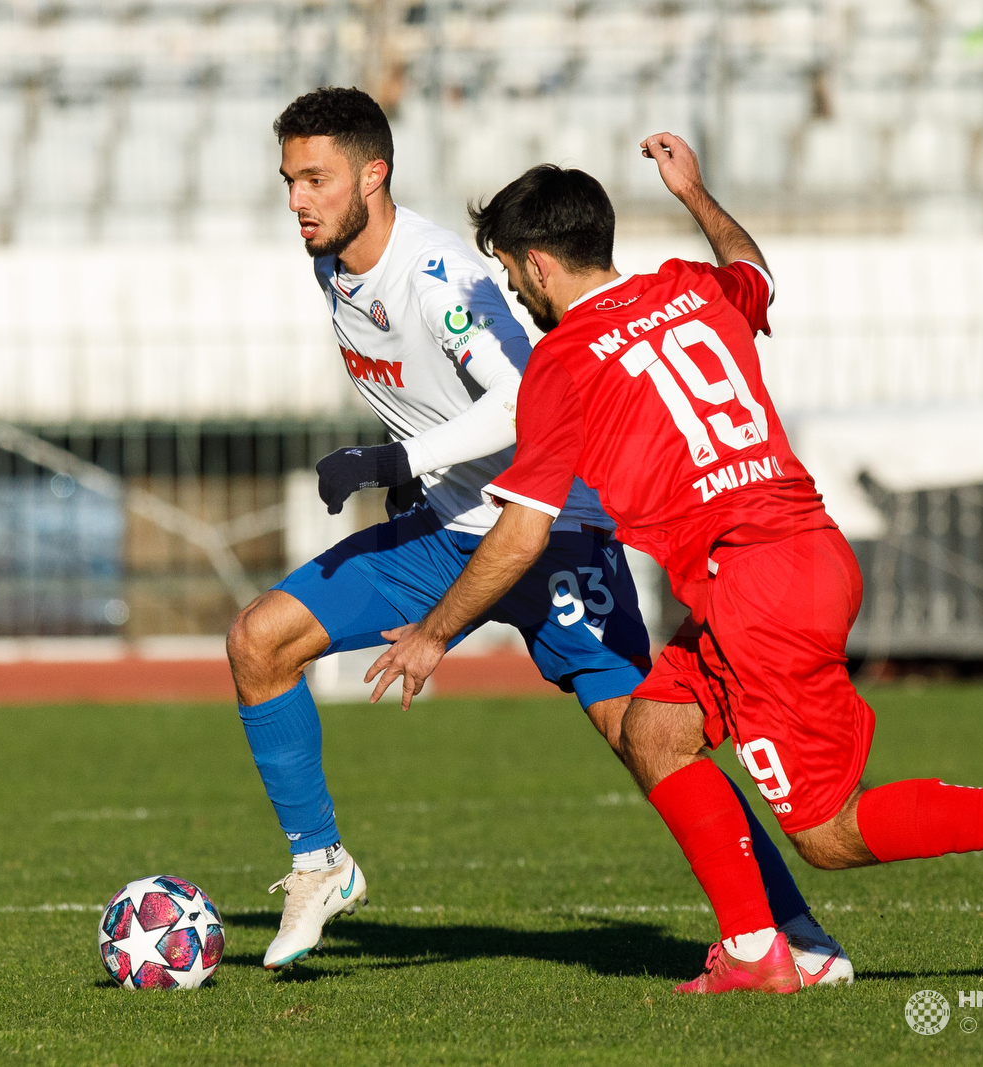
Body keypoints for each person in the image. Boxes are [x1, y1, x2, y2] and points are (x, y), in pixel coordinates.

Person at [367, 134, 983, 995]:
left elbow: (522, 534)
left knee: (829, 833)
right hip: (798, 553)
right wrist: (698, 194)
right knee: (656, 731)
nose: (517, 296)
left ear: (535, 263)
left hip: (756, 588)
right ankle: (759, 948)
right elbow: (759, 271)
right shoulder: (688, 285)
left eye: (511, 274)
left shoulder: (563, 362)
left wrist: (434, 632)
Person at [228, 88, 851, 982]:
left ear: (376, 174)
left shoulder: (438, 276)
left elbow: (526, 403)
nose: (298, 200)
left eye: (316, 179)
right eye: (290, 180)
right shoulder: (333, 260)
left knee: (652, 739)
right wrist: (415, 478)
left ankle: (793, 933)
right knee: (259, 639)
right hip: (443, 534)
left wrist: (396, 458)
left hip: (551, 533)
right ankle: (319, 864)